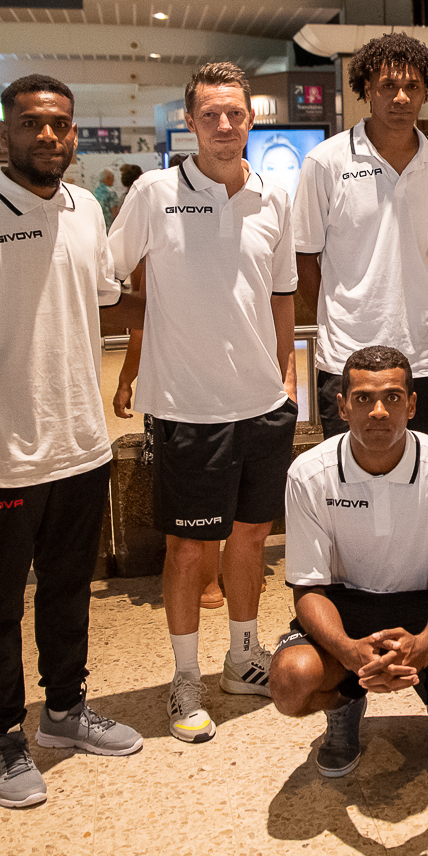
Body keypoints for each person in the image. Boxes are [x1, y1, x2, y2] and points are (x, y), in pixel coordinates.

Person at [0, 74, 146, 809]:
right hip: (4, 456)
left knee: (69, 590)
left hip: (82, 444)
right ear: (5, 133)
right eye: (31, 123)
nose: (48, 135)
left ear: (74, 133)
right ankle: (1, 736)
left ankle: (64, 711)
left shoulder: (84, 208)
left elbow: (105, 301)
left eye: (60, 124)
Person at [108, 61, 299, 743]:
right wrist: (155, 324)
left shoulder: (273, 197)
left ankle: (243, 658)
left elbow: (282, 294)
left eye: (235, 113)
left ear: (251, 121)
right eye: (210, 114)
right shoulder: (155, 192)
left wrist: (285, 379)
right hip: (187, 408)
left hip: (261, 404)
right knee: (188, 548)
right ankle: (184, 677)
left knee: (250, 537)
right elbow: (104, 277)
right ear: (189, 122)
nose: (224, 125)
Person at [270, 345, 428, 778]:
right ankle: (344, 705)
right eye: (363, 398)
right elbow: (308, 589)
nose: (378, 411)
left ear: (411, 405)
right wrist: (348, 652)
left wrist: (424, 646)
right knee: (289, 682)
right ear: (342, 406)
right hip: (345, 608)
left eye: (392, 397)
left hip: (427, 604)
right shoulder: (308, 473)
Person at [295, 33, 428, 447]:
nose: (401, 97)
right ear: (367, 90)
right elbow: (303, 259)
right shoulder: (326, 161)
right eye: (388, 85)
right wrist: (342, 315)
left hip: (425, 358)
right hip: (347, 357)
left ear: (426, 93)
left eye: (412, 87)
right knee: (352, 473)